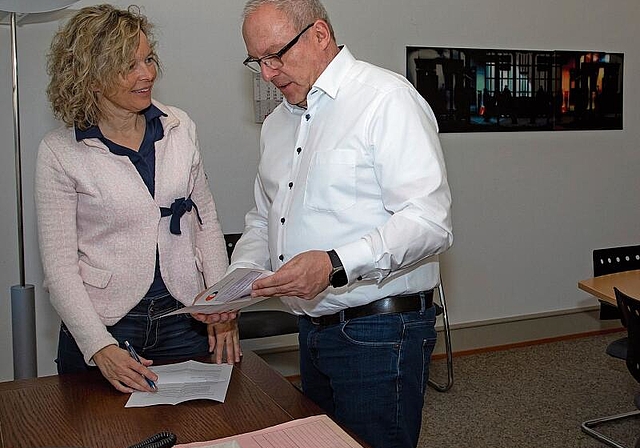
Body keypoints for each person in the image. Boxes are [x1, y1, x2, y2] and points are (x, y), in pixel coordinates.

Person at [201, 1, 453, 447]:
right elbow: (264, 217)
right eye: (256, 61)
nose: (267, 73)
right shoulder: (277, 123)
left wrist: (335, 263)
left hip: (380, 332)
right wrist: (236, 281)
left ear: (320, 35)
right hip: (313, 328)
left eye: (276, 55)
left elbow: (429, 221)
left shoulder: (385, 100)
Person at [35, 4, 239, 394]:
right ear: (91, 77)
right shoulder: (60, 151)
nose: (147, 74)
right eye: (128, 66)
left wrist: (218, 303)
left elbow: (206, 222)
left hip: (185, 318)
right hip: (106, 324)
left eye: (147, 58)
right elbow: (59, 269)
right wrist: (99, 347)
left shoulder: (180, 128)